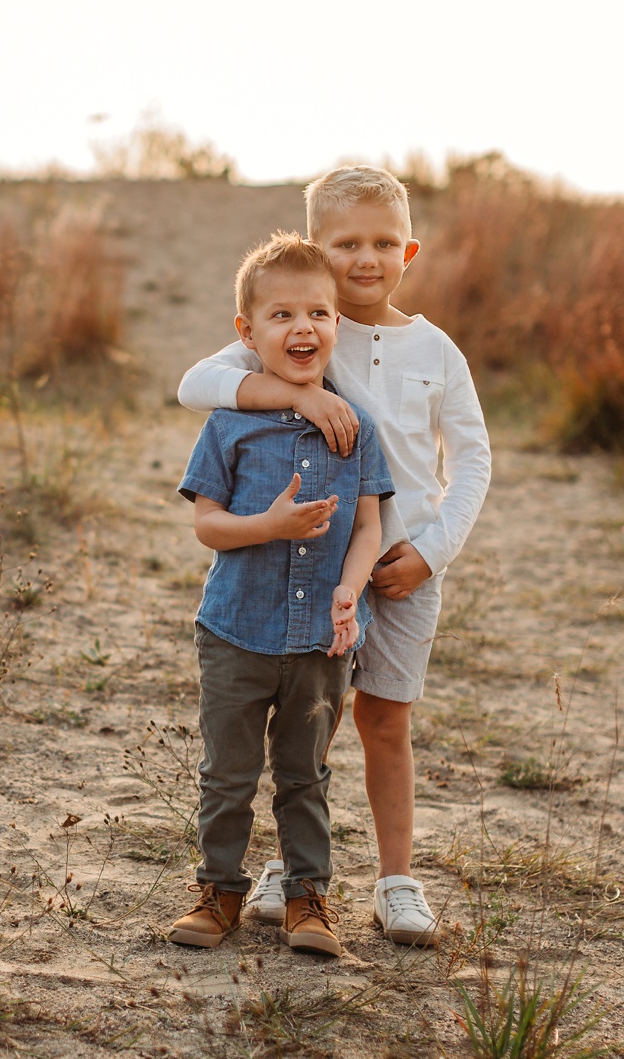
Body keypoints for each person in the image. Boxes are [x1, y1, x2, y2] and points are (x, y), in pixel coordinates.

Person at [177, 167, 491, 946]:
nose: (366, 258)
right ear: (318, 248)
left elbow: (473, 461)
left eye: (384, 242)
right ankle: (295, 872)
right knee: (306, 727)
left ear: (409, 250)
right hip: (312, 570)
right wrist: (296, 396)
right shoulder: (303, 325)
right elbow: (197, 383)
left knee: (384, 720)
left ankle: (396, 882)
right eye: (345, 242)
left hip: (405, 564)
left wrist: (432, 553)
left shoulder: (436, 349)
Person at [167, 232, 393, 959]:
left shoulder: (356, 431)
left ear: (337, 326)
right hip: (235, 630)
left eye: (320, 314)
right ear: (248, 332)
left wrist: (351, 592)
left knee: (306, 776)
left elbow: (368, 528)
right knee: (227, 773)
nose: (304, 329)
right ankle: (220, 892)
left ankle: (308, 900)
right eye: (283, 316)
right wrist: (265, 525)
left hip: (319, 643)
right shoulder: (228, 423)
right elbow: (207, 525)